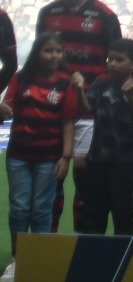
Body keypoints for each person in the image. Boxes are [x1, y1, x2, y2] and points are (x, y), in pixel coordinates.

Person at [36, 0, 122, 232]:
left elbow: (116, 64)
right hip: (53, 110)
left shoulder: (105, 16)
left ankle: (81, 247)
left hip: (89, 113)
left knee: (87, 183)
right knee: (51, 180)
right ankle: (47, 243)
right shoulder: (48, 14)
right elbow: (39, 61)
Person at [0, 33, 76, 263]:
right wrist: (2, 107)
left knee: (42, 208)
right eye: (48, 50)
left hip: (49, 157)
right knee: (20, 207)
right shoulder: (21, 78)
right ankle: (18, 257)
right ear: (37, 53)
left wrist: (66, 156)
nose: (54, 55)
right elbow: (7, 105)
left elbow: (68, 121)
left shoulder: (66, 82)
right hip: (18, 155)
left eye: (57, 51)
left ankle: (39, 259)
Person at [79, 38, 133, 235]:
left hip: (124, 160)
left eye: (119, 59)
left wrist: (131, 94)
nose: (113, 64)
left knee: (123, 211)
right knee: (94, 210)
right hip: (97, 157)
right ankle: (93, 256)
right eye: (110, 59)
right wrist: (79, 90)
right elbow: (88, 108)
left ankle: (123, 259)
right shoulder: (101, 81)